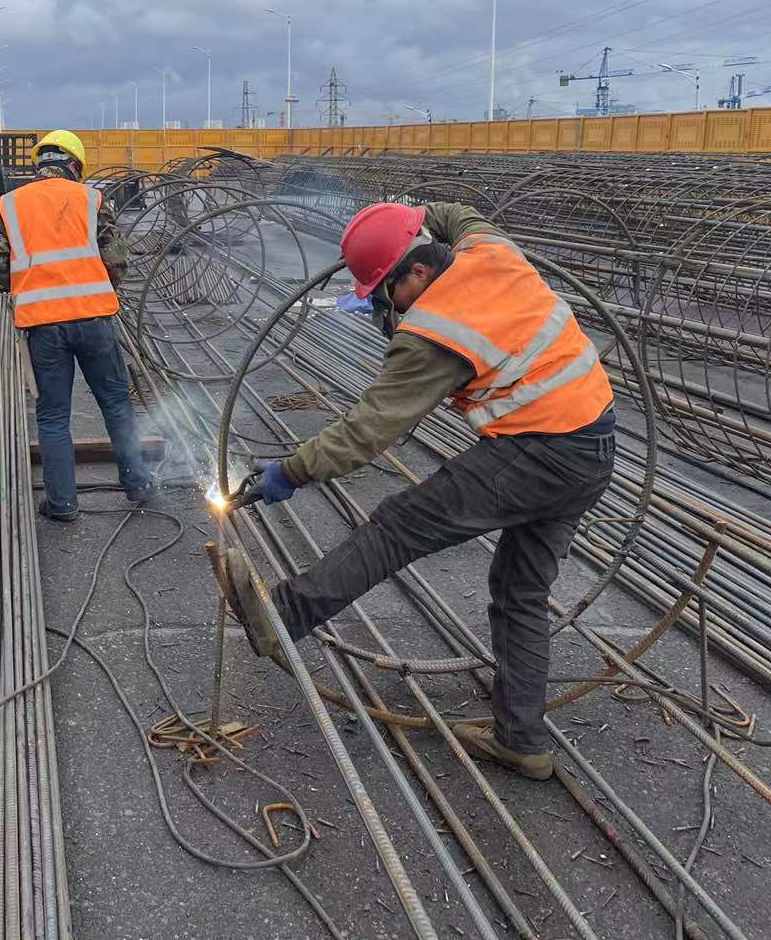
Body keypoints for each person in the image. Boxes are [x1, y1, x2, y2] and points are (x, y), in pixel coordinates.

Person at [215, 200, 615, 780]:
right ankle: (522, 741)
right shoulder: (492, 250)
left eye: (386, 289)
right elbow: (459, 213)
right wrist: (409, 215)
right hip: (595, 444)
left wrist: (290, 473)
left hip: (538, 452)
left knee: (397, 527)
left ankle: (282, 616)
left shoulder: (433, 332)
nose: (386, 304)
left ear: (419, 273)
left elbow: (370, 428)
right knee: (521, 590)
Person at [0, 130, 157, 521]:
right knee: (115, 403)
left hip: (44, 326)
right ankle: (139, 484)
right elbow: (117, 261)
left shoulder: (10, 204)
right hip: (94, 319)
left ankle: (62, 503)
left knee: (53, 416)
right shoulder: (92, 199)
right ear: (75, 166)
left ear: (39, 163)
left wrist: (30, 284)